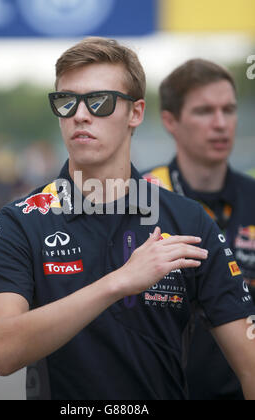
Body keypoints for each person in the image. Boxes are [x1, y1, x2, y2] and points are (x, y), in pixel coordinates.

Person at [0, 39, 255, 401]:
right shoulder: (21, 221)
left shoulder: (189, 219)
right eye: (67, 102)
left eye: (99, 101)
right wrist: (119, 282)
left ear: (136, 113)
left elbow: (250, 365)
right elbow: (1, 349)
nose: (81, 115)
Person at [143, 58, 255, 400]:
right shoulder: (139, 197)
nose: (221, 124)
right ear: (170, 121)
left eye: (229, 110)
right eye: (204, 111)